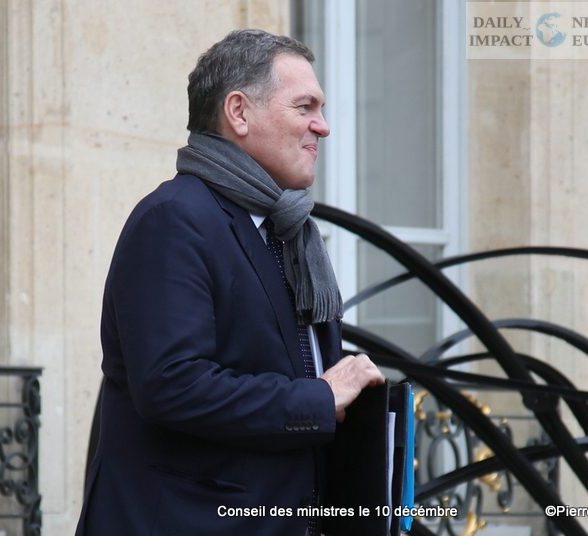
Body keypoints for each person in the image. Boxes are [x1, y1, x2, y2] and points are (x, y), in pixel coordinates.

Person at [75, 28, 384, 536]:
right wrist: (320, 398)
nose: (323, 126)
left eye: (321, 109)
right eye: (304, 107)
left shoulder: (288, 231)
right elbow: (172, 384)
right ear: (238, 112)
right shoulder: (174, 218)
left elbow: (286, 369)